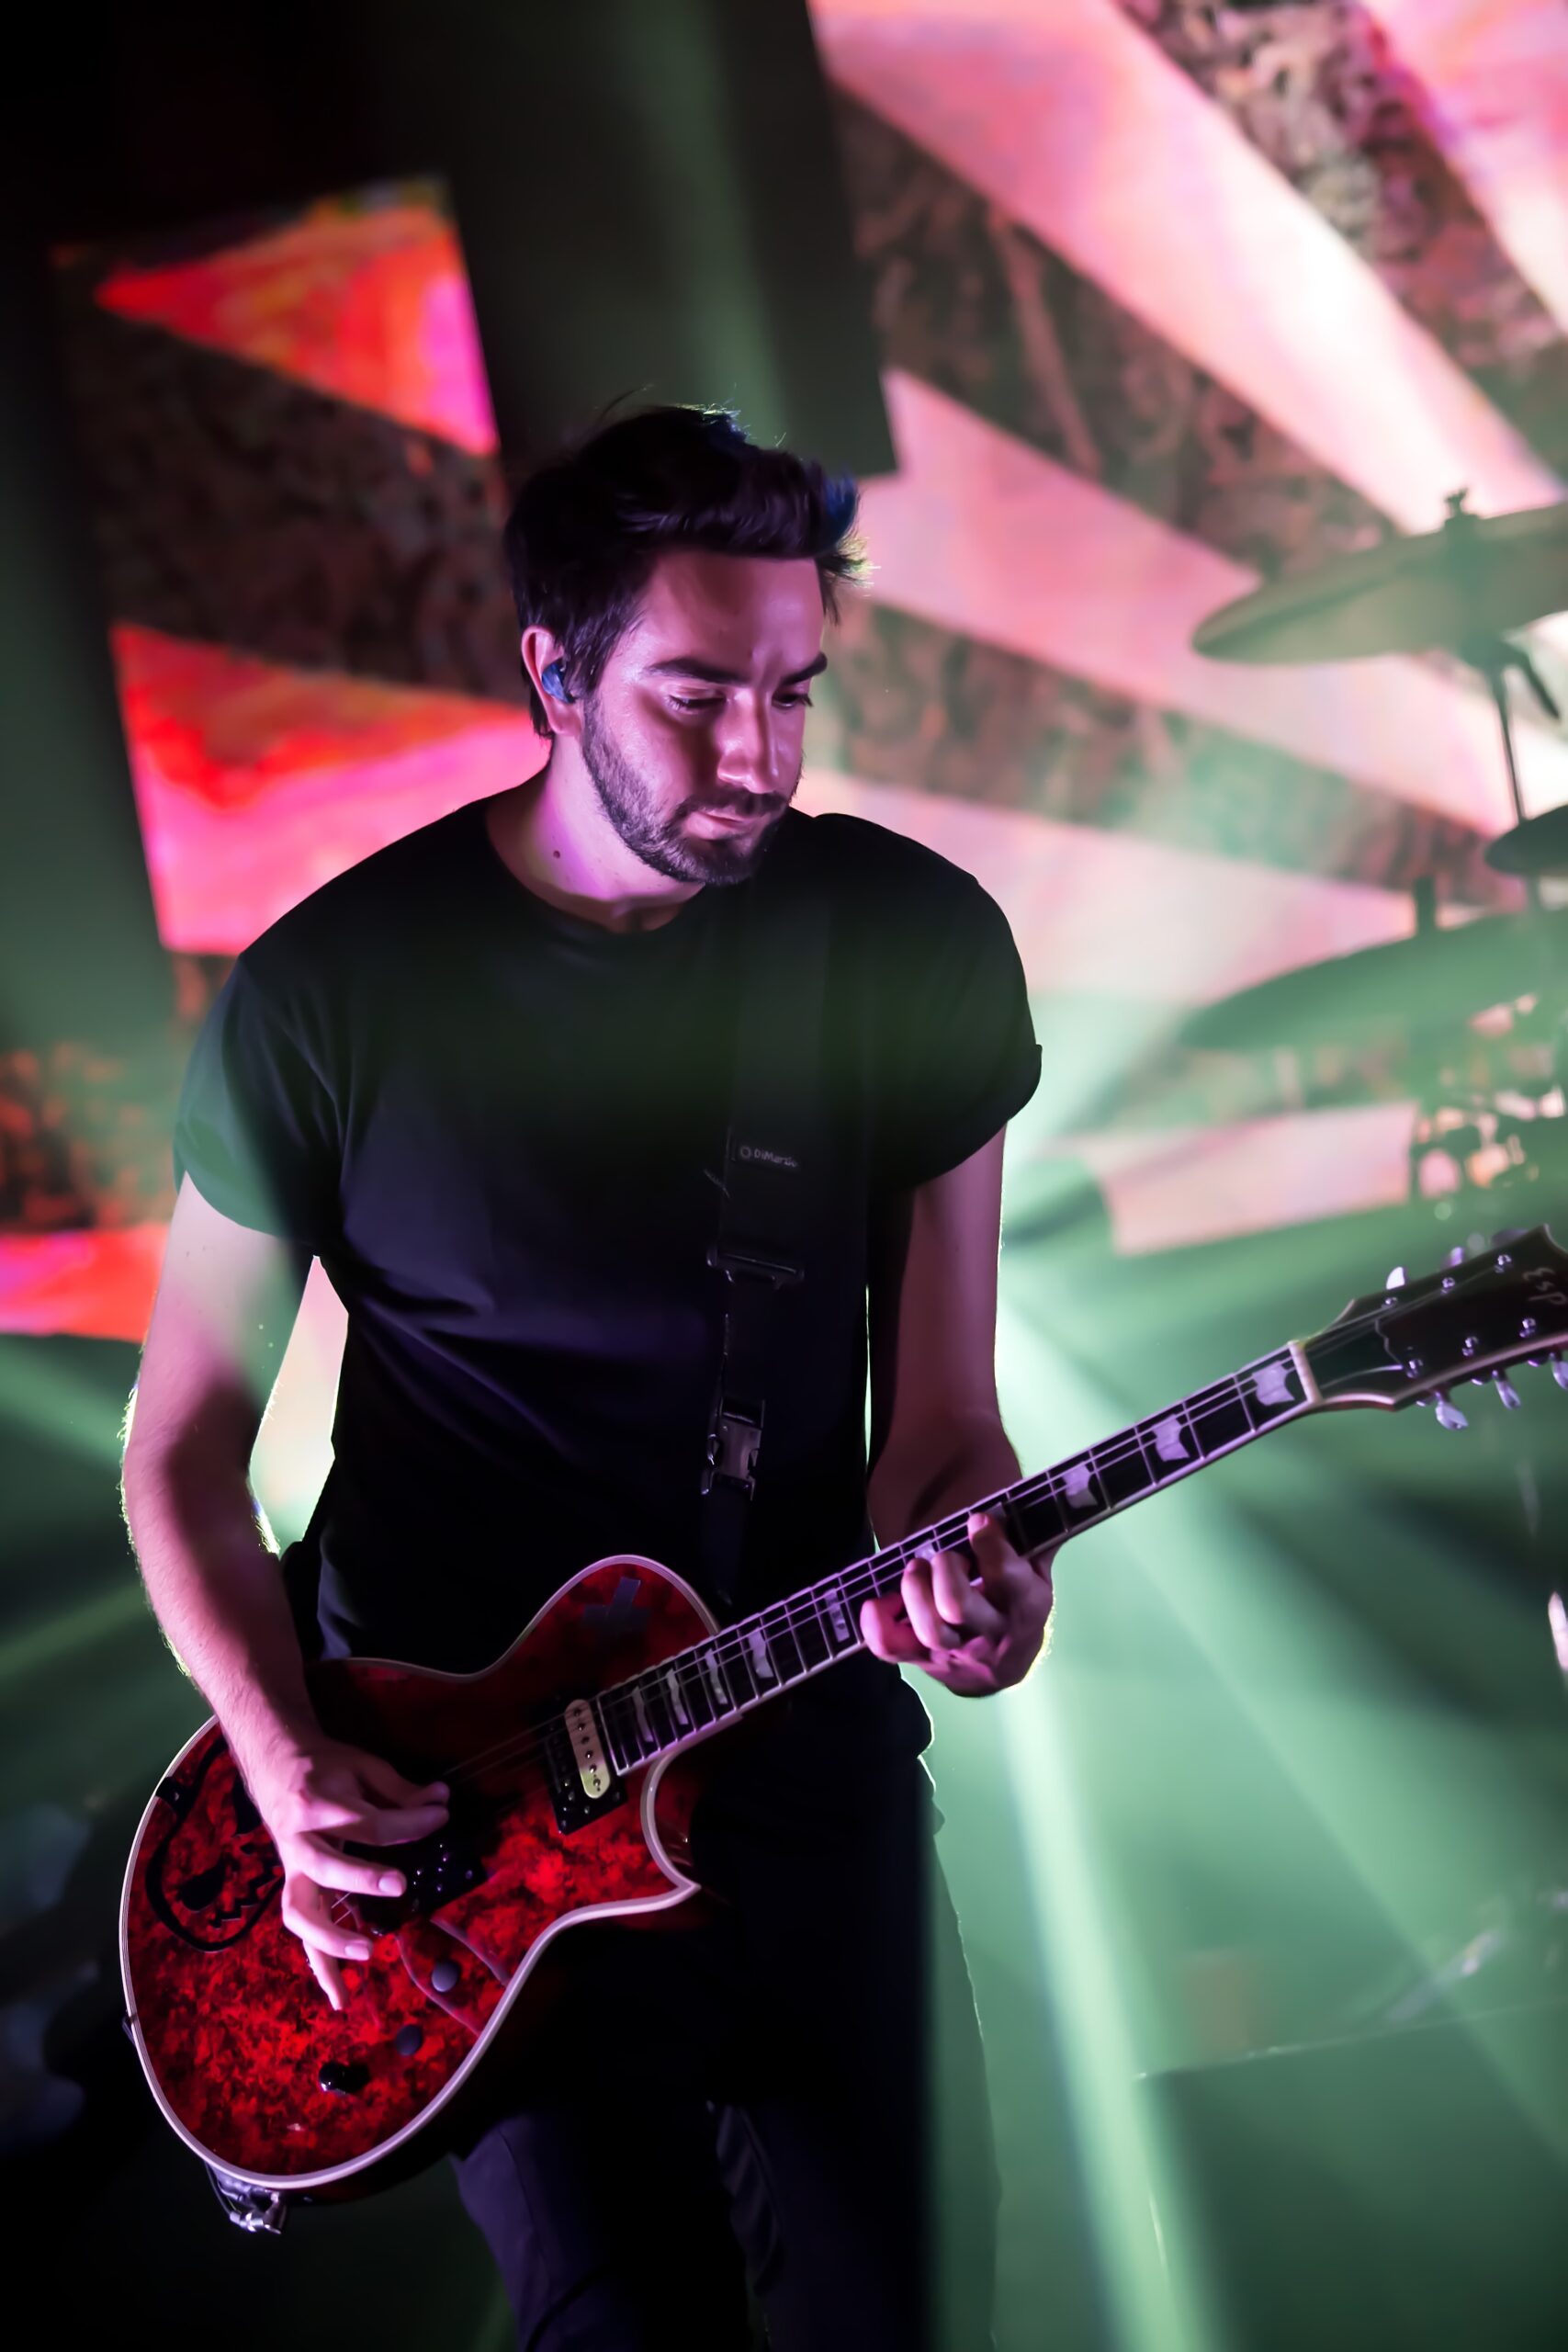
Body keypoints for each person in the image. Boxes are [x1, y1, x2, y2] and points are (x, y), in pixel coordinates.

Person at [121, 405, 1050, 2350]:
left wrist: (977, 1581)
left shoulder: (905, 943)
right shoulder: (332, 993)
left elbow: (945, 1431)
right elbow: (183, 1442)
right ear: (552, 673)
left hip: (792, 1748)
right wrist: (279, 1756)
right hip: (472, 1821)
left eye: (793, 691)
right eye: (695, 696)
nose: (758, 757)